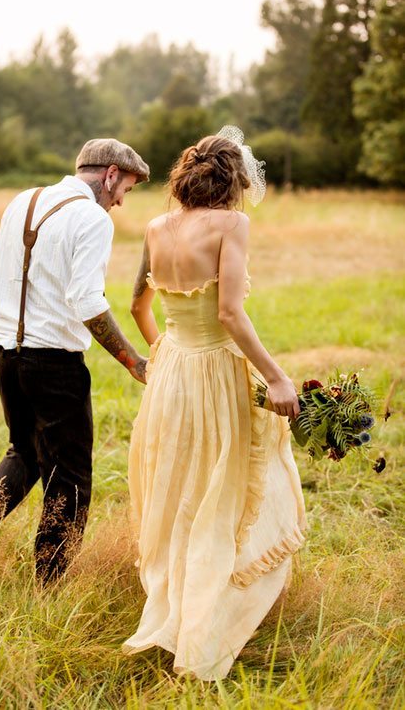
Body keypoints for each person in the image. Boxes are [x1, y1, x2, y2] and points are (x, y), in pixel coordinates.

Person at [122, 126, 307, 680]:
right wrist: (276, 377)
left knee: (181, 486)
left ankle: (178, 606)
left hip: (172, 369)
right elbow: (229, 313)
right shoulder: (232, 224)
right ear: (235, 182)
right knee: (222, 488)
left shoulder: (157, 226)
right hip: (217, 370)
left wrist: (167, 354)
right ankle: (204, 626)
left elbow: (136, 305)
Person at [0, 138, 150, 585]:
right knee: (70, 478)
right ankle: (49, 583)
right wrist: (132, 360)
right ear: (110, 174)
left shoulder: (23, 200)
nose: (119, 203)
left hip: (6, 356)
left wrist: (13, 335)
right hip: (55, 365)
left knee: (25, 451)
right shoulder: (92, 218)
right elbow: (87, 302)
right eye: (125, 191)